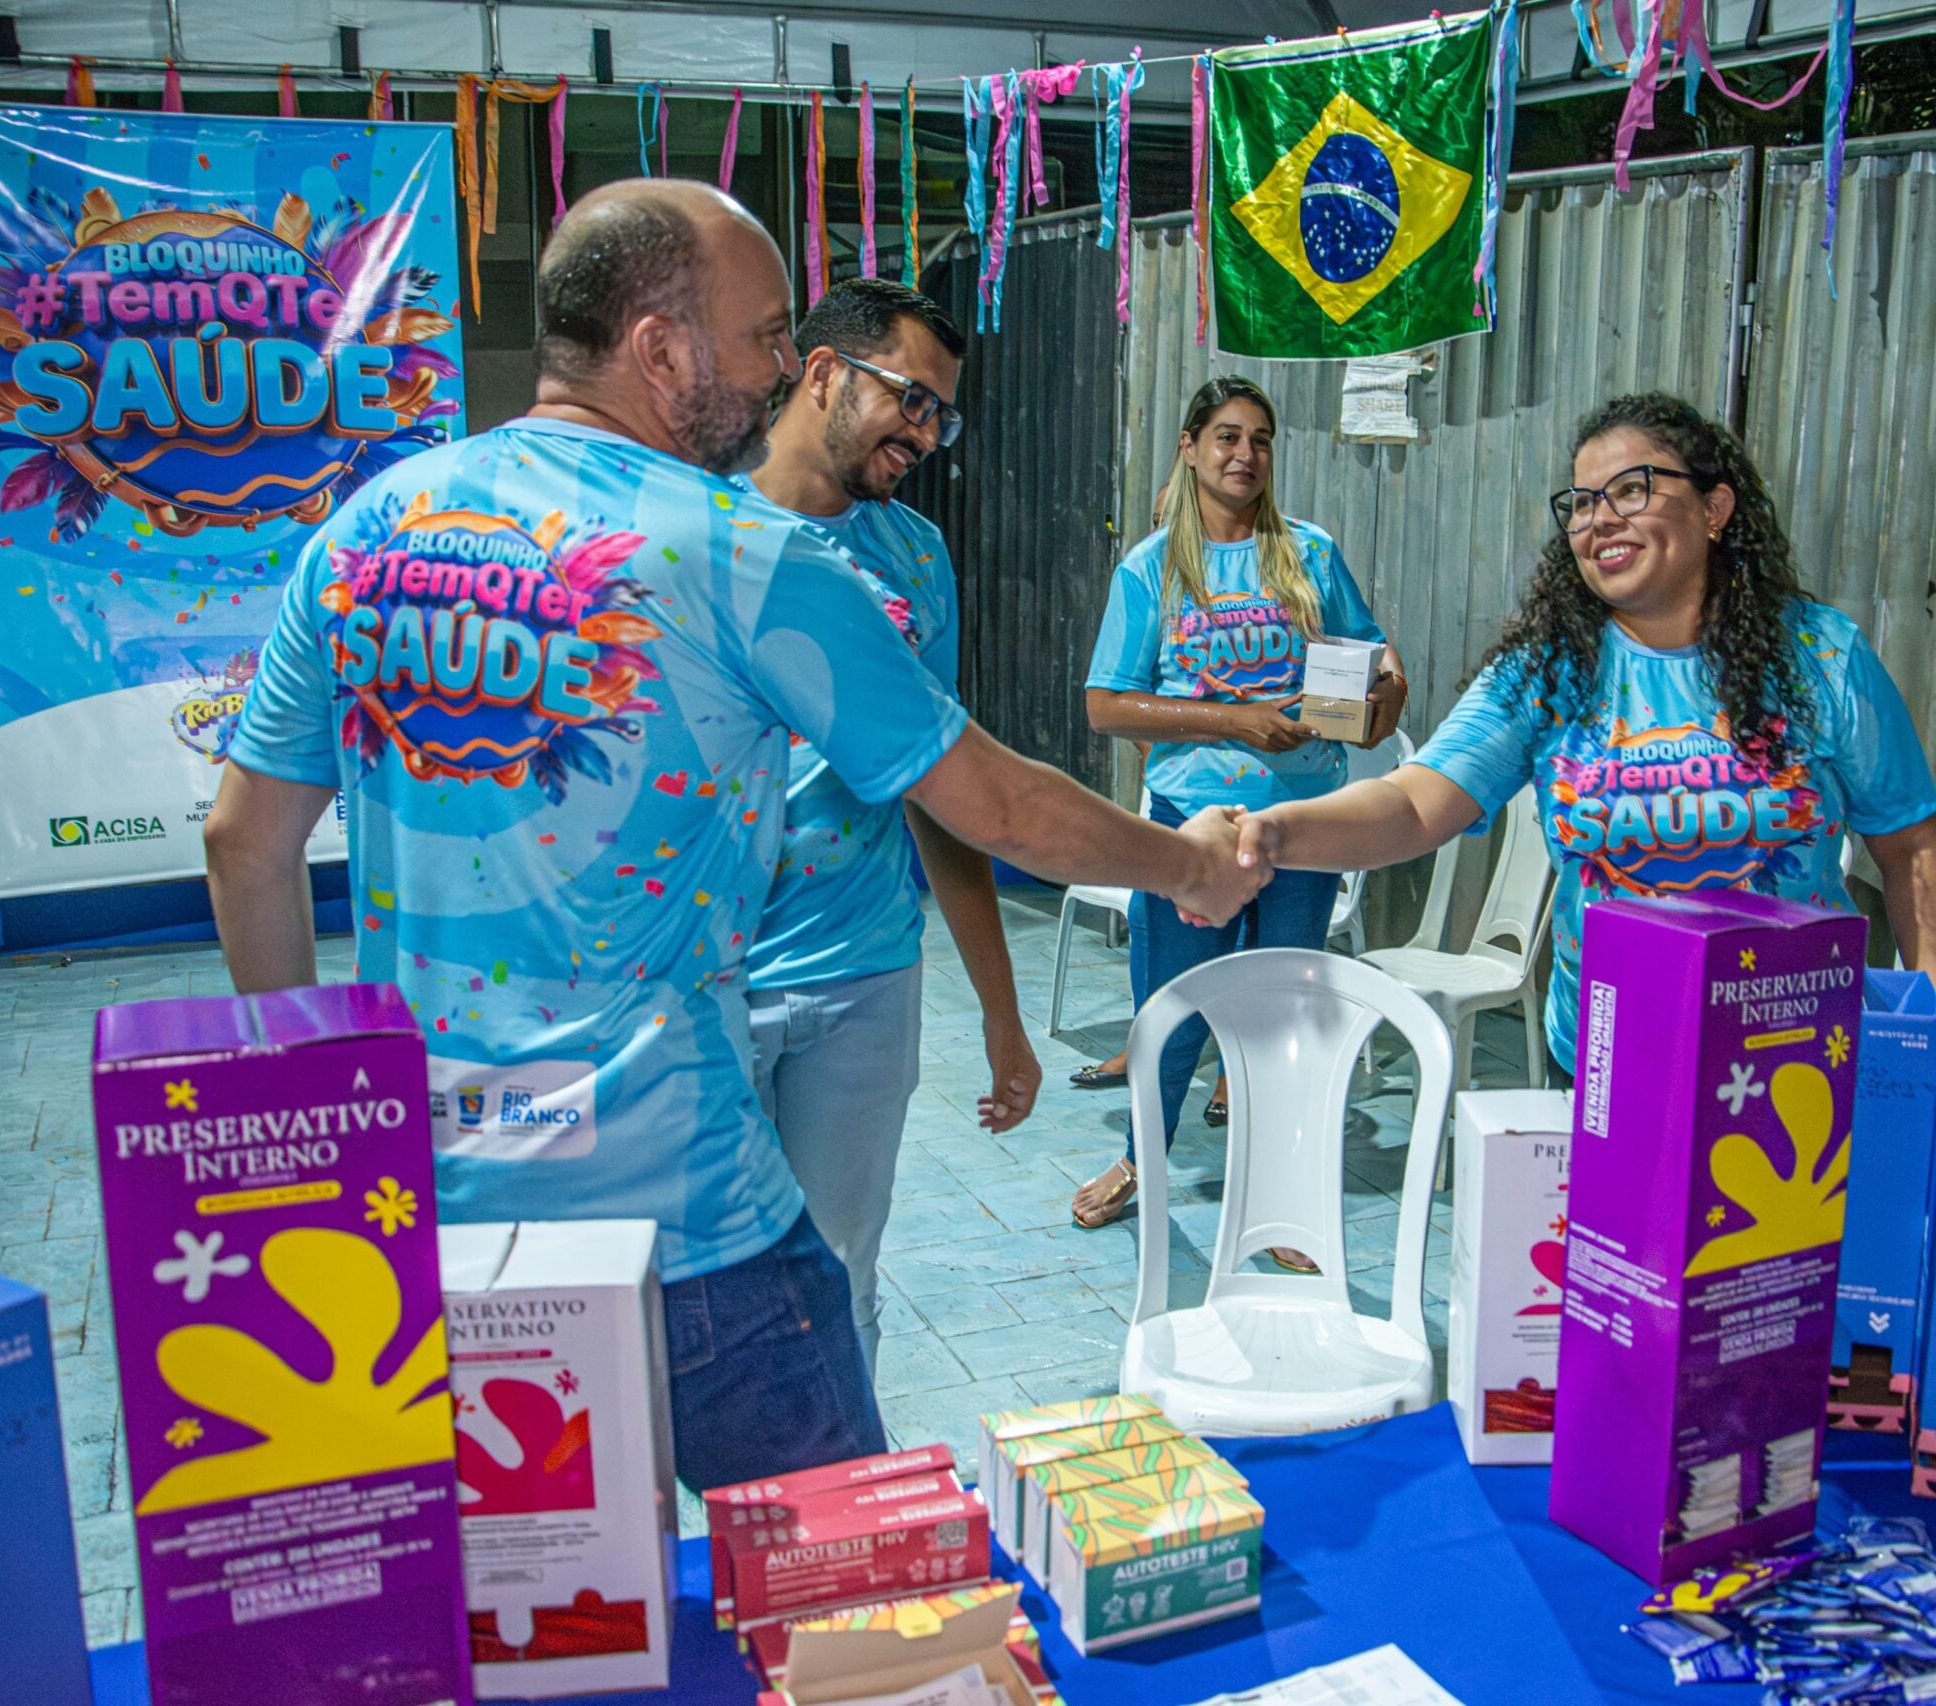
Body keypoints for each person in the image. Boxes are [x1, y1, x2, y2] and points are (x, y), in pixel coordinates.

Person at [203, 180, 1262, 1492]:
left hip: (441, 1214)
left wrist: (321, 1115)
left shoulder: (362, 534)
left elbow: (245, 844)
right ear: (661, 349)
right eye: (765, 338)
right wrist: (1192, 863)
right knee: (844, 1590)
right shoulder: (741, 552)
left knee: (575, 1608)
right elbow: (993, 803)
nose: (779, 375)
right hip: (685, 1212)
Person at [1233, 390, 1936, 1080]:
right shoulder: (1549, 672)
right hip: (1611, 1060)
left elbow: (1911, 849)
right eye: (1582, 503)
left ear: (1715, 507)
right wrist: (1269, 834)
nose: (1598, 519)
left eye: (1632, 489)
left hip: (1798, 1053)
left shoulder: (1822, 657)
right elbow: (1414, 805)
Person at [742, 276, 1037, 1377]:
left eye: (940, 415)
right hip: (701, 976)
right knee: (699, 1293)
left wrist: (1002, 1015)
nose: (926, 433)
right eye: (912, 400)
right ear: (822, 372)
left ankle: (831, 1523)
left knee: (838, 1274)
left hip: (862, 970)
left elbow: (945, 790)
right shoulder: (695, 521)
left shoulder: (914, 554)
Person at [1066, 377, 1407, 1237]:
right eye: (1224, 436)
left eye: (1258, 439)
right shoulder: (1153, 567)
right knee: (1171, 1009)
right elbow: (1108, 704)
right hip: (1193, 833)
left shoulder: (1310, 554)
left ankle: (1283, 1197)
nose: (1243, 455)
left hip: (1303, 828)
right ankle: (1143, 1160)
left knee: (1285, 1016)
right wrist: (1239, 723)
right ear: (1189, 446)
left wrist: (1384, 696)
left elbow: (1370, 660)